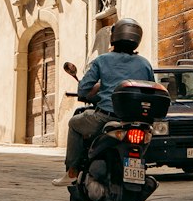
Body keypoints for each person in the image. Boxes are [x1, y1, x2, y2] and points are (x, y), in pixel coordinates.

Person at [52, 18, 155, 187]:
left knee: (74, 123)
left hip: (106, 118)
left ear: (114, 37)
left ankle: (72, 171)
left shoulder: (102, 60)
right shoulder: (145, 64)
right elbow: (150, 87)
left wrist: (98, 89)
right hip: (137, 121)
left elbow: (84, 89)